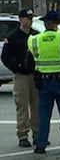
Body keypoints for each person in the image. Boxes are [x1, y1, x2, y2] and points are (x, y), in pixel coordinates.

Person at [27, 11, 60, 154]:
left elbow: (28, 63)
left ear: (45, 23)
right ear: (57, 24)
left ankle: (41, 145)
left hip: (44, 83)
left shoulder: (34, 40)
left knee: (44, 115)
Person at [1, 8, 38, 148]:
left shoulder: (35, 36)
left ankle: (38, 134)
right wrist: (16, 67)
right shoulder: (12, 37)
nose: (30, 21)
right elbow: (5, 57)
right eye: (28, 18)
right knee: (22, 105)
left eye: (31, 18)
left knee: (37, 106)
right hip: (21, 76)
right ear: (21, 19)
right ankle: (23, 135)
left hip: (35, 75)